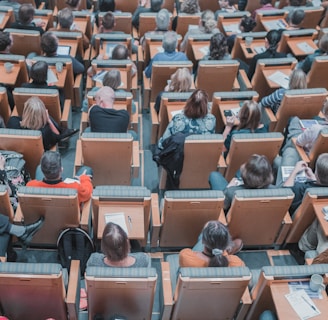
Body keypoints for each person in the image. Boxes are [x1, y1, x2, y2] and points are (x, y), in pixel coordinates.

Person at [209, 154, 275, 212]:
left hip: (231, 208)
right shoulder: (274, 190)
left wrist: (228, 187)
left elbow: (222, 206)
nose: (243, 165)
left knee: (214, 175)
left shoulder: (231, 192)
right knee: (239, 172)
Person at [7, 97, 78, 151]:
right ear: (43, 113)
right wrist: (48, 120)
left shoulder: (12, 122)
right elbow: (58, 136)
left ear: (26, 110)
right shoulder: (45, 132)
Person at [27, 150, 93, 205]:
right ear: (61, 170)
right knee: (86, 169)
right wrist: (84, 178)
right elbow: (88, 192)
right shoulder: (75, 189)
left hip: (43, 219)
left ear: (42, 171)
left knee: (38, 167)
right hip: (69, 220)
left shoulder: (30, 187)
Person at [179, 221, 245, 267]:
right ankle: (227, 250)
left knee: (208, 225)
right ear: (226, 244)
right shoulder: (237, 263)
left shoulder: (186, 257)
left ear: (203, 241)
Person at [87, 222, 151, 267]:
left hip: (104, 286)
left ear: (103, 246)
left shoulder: (94, 260)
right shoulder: (143, 260)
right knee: (136, 243)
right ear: (127, 242)